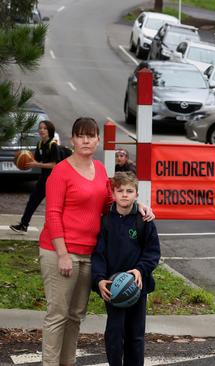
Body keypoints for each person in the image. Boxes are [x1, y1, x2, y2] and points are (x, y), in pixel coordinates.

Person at [38, 117, 154, 366]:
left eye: (91, 136)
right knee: (58, 315)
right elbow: (52, 214)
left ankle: (67, 362)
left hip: (88, 253)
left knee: (76, 315)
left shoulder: (100, 170)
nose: (86, 140)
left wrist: (138, 205)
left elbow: (110, 203)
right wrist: (62, 254)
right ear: (73, 140)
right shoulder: (61, 171)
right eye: (81, 135)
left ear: (98, 140)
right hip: (60, 252)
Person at [92, 172, 161, 366]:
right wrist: (99, 279)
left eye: (129, 191)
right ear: (113, 194)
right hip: (114, 286)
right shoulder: (105, 221)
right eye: (120, 191)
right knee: (114, 333)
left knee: (136, 335)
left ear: (136, 194)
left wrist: (140, 269)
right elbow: (98, 254)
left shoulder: (144, 220)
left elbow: (153, 252)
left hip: (137, 286)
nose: (124, 194)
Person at [10, 120, 59, 234]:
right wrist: (21, 157)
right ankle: (23, 225)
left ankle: (58, 230)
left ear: (50, 131)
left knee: (54, 206)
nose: (42, 130)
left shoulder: (53, 145)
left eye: (45, 128)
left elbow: (55, 165)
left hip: (55, 180)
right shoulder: (40, 144)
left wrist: (38, 165)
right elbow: (35, 160)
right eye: (40, 128)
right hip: (44, 178)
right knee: (32, 201)